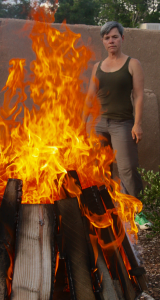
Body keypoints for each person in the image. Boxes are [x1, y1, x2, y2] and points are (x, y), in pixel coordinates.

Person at [82, 21, 150, 228]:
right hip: (99, 124)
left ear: (122, 38)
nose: (111, 41)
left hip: (122, 123)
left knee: (127, 169)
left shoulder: (132, 63)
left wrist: (137, 124)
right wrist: (80, 124)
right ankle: (107, 208)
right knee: (101, 169)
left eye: (114, 37)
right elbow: (89, 97)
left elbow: (138, 96)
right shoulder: (98, 67)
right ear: (103, 41)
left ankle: (136, 212)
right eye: (106, 38)